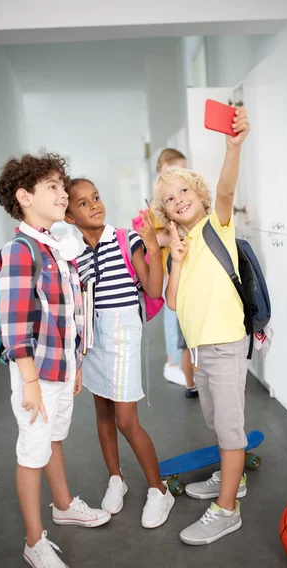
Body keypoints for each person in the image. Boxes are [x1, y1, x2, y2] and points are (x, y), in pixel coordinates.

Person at [0, 153, 110, 568]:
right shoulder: (20, 251)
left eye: (63, 186)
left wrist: (75, 364)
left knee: (54, 439)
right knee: (32, 452)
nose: (63, 194)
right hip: (35, 376)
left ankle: (63, 507)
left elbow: (69, 312)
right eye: (52, 188)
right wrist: (29, 382)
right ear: (24, 197)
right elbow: (16, 324)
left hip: (61, 370)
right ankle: (33, 541)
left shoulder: (55, 246)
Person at [152, 107, 251, 545]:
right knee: (215, 418)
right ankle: (236, 480)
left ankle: (227, 509)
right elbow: (172, 302)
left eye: (183, 191)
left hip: (227, 343)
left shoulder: (217, 224)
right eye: (169, 199)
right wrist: (175, 259)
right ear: (167, 213)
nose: (177, 200)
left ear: (200, 193)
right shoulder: (183, 244)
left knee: (230, 429)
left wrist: (233, 148)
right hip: (202, 349)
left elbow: (227, 187)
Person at [64, 178, 175, 528]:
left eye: (96, 197)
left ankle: (159, 490)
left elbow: (154, 288)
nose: (94, 205)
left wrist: (153, 247)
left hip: (124, 335)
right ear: (69, 216)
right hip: (94, 338)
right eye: (83, 203)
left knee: (126, 419)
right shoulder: (75, 254)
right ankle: (117, 478)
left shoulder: (126, 240)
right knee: (102, 411)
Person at [151, 149, 197, 398]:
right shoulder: (159, 203)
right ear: (162, 168)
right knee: (174, 317)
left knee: (180, 320)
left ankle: (179, 363)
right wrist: (177, 235)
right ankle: (173, 363)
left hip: (182, 267)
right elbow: (156, 236)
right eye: (175, 169)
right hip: (171, 270)